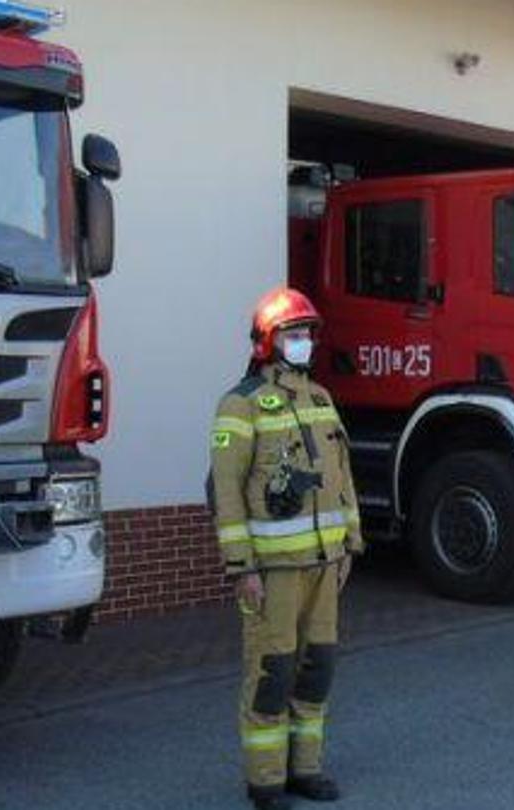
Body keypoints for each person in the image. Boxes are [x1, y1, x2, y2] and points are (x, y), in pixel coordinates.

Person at [208, 288, 363, 810]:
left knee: (317, 669)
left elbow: (342, 478)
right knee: (272, 673)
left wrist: (349, 545)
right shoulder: (241, 403)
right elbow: (226, 491)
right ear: (267, 342)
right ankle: (266, 781)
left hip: (324, 564)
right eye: (293, 334)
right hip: (272, 570)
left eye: (307, 334)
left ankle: (306, 770)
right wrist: (241, 566)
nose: (304, 343)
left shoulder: (320, 398)